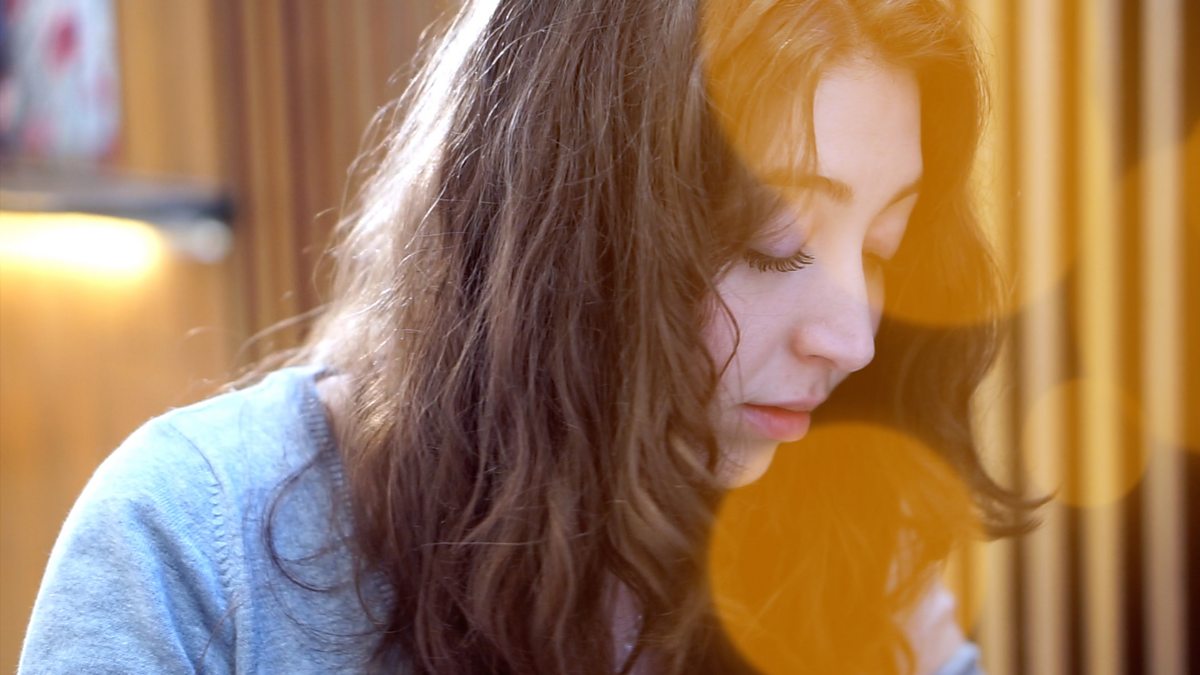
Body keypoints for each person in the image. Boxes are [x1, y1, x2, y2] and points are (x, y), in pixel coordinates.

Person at [20, 0, 1033, 673]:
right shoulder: (198, 543)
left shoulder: (847, 534)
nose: (854, 337)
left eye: (884, 244)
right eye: (774, 244)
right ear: (567, 229)